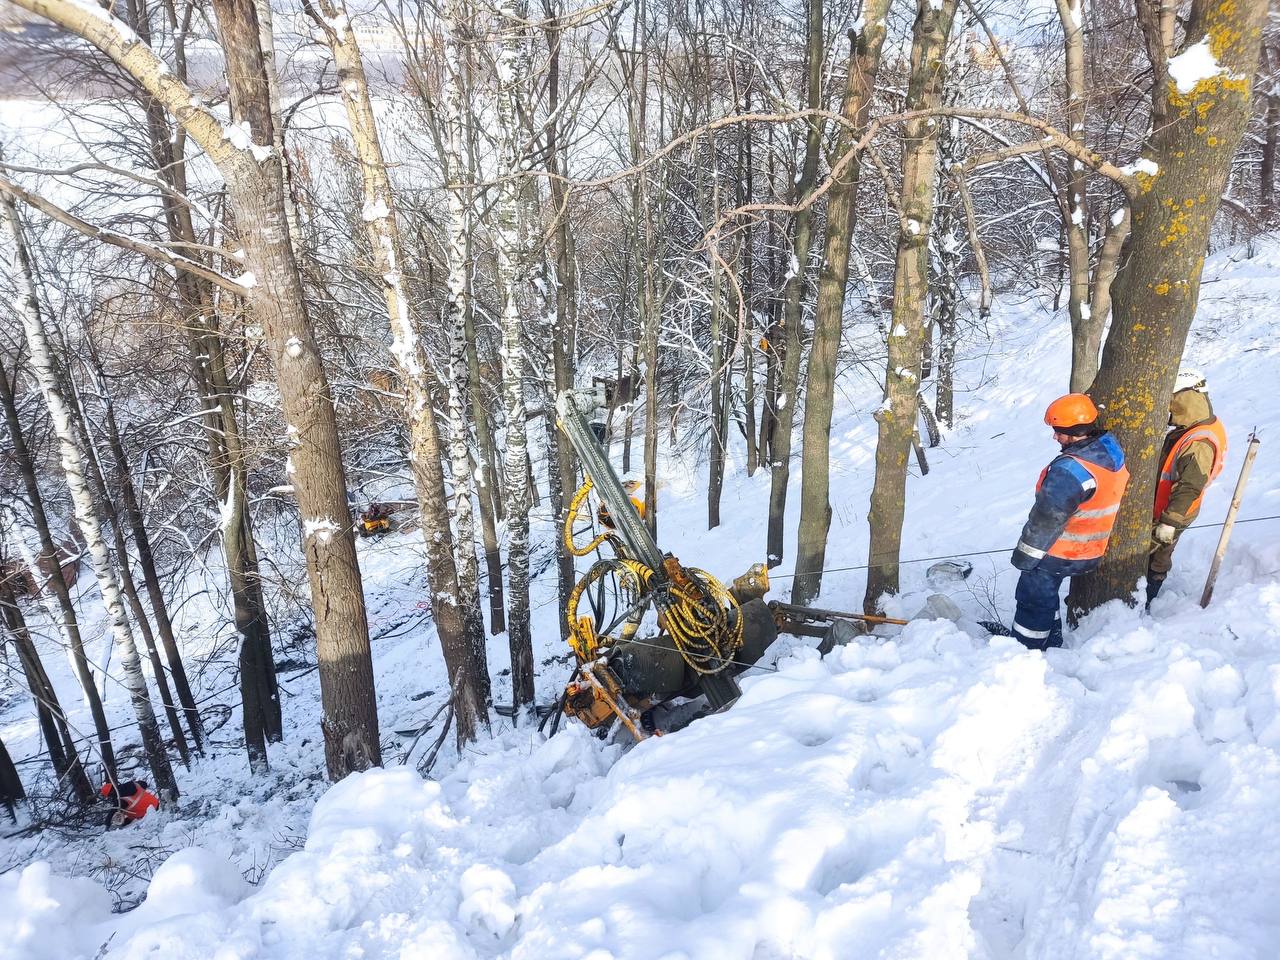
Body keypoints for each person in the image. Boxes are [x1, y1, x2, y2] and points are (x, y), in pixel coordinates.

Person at [1004, 394, 1130, 649]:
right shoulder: (1108, 451)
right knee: (1047, 594)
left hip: (1061, 550)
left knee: (1033, 598)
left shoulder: (1070, 471)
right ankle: (1052, 640)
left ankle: (1024, 650)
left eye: (1058, 432)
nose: (1055, 437)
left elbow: (1046, 519)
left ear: (1073, 432)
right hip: (1090, 547)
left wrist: (1025, 558)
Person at [1146, 371, 1227, 605]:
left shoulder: (1198, 442)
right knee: (1158, 555)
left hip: (1173, 511)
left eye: (1172, 398)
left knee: (1155, 556)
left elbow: (1190, 485)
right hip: (1171, 507)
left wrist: (1169, 522)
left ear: (1185, 397)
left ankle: (1148, 598)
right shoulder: (1199, 425)